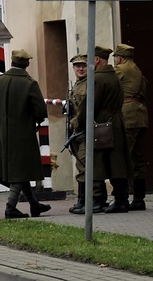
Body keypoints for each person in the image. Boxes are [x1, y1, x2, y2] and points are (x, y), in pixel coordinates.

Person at [0, 49, 51, 219]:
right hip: (23, 134)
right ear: (27, 64)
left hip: (2, 134)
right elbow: (41, 111)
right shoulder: (29, 83)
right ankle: (10, 207)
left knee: (19, 169)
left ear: (11, 62)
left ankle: (34, 205)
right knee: (19, 171)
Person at [76, 46, 132, 213]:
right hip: (115, 122)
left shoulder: (97, 78)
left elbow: (89, 105)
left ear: (97, 60)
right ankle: (121, 200)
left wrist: (79, 123)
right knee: (117, 164)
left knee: (97, 163)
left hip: (100, 125)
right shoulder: (114, 76)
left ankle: (97, 201)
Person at [66, 54, 108, 214]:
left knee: (88, 165)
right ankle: (82, 200)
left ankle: (96, 200)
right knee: (81, 165)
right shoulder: (77, 85)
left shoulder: (90, 84)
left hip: (87, 128)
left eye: (83, 66)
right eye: (77, 66)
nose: (81, 69)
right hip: (77, 130)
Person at [113, 43, 149, 211]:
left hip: (128, 117)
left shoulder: (122, 69)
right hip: (141, 116)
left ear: (119, 58)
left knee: (123, 157)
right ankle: (139, 199)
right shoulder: (137, 70)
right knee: (137, 159)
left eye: (115, 58)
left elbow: (106, 81)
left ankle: (122, 198)